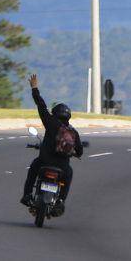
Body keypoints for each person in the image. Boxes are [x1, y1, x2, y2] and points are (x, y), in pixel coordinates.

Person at [20, 73, 83, 213]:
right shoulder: (73, 132)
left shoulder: (50, 122)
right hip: (62, 167)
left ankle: (27, 195)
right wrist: (74, 152)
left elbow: (41, 105)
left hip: (44, 162)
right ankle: (60, 201)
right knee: (69, 174)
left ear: (54, 113)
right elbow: (80, 151)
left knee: (33, 169)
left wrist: (34, 88)